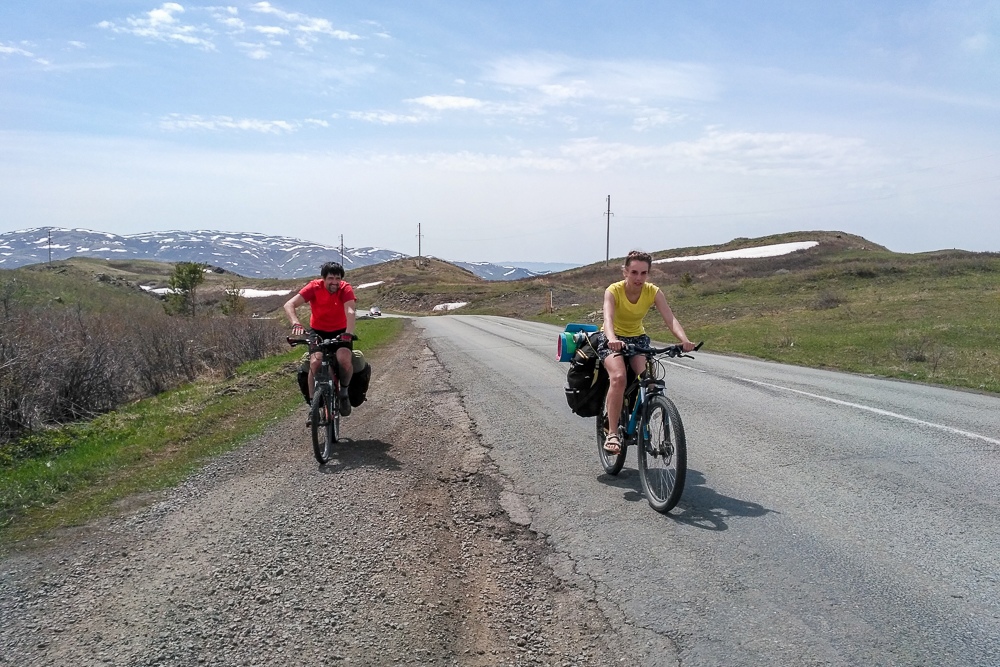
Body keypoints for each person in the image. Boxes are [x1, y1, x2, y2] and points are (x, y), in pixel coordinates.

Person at [595, 250, 696, 454]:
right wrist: (612, 339)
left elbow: (670, 319)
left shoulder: (653, 292)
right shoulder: (613, 291)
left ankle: (644, 417)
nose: (638, 278)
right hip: (612, 337)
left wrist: (684, 340)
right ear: (625, 272)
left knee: (648, 380)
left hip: (638, 338)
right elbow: (608, 319)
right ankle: (612, 433)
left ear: (648, 273)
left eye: (643, 273)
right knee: (619, 377)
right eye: (634, 272)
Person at [284, 261, 357, 416]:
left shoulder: (345, 288)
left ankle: (344, 393)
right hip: (318, 331)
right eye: (330, 278)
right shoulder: (314, 287)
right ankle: (313, 406)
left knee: (344, 359)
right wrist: (296, 323)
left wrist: (348, 333)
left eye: (338, 278)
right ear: (323, 278)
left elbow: (350, 311)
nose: (334, 282)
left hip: (341, 331)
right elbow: (289, 305)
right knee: (315, 362)